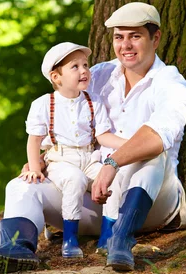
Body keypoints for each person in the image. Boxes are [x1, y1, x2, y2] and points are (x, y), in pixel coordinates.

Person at [0, 2, 186, 274]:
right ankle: (17, 248)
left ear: (155, 39)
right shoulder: (98, 75)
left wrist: (112, 163)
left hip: (151, 203)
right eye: (119, 37)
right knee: (21, 185)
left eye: (135, 36)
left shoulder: (170, 82)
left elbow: (157, 137)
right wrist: (41, 159)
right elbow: (66, 117)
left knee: (153, 155)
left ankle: (121, 240)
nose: (126, 45)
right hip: (94, 199)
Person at [22, 42, 126, 258]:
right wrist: (34, 168)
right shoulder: (44, 104)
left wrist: (129, 144)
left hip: (89, 157)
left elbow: (102, 136)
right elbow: (34, 141)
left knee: (112, 178)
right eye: (75, 67)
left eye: (86, 65)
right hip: (61, 159)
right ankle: (69, 238)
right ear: (56, 77)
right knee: (74, 179)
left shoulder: (93, 101)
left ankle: (108, 237)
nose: (84, 71)